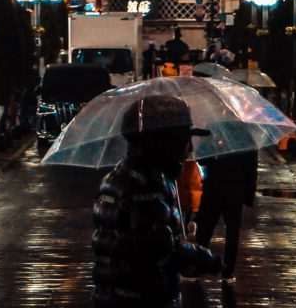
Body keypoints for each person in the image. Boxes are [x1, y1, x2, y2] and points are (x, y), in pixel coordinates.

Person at [91, 93, 220, 306]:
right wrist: (203, 258)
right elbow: (158, 249)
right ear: (164, 142)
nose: (189, 148)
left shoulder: (122, 176)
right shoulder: (145, 187)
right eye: (184, 139)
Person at [193, 148, 257, 285]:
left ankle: (198, 265)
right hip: (235, 191)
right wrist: (248, 195)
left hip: (213, 189)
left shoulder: (214, 133)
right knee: (232, 231)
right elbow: (251, 168)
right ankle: (227, 271)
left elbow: (202, 158)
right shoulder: (246, 140)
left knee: (205, 229)